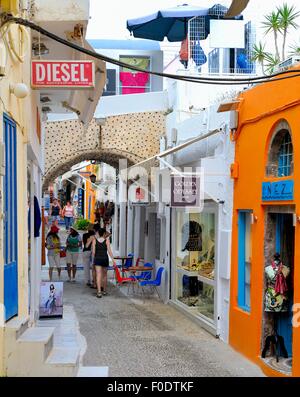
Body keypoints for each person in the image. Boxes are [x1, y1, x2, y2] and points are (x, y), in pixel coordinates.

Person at [92, 225, 115, 298]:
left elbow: (93, 252)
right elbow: (109, 251)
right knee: (104, 276)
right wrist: (113, 260)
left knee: (98, 275)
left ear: (98, 233)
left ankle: (99, 292)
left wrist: (95, 259)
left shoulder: (94, 240)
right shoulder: (107, 240)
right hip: (105, 258)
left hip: (97, 259)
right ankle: (104, 290)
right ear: (104, 233)